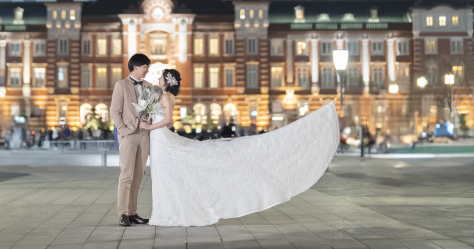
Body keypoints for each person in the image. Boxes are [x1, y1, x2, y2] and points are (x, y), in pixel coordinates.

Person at [139, 69, 339, 227]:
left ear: (167, 81)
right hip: (161, 138)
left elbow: (168, 120)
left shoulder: (164, 96)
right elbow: (168, 122)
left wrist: (148, 125)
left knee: (165, 175)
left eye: (160, 76)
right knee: (165, 175)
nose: (157, 78)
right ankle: (167, 211)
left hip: (160, 139)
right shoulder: (165, 96)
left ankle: (167, 211)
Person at [110, 53, 152, 227]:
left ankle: (133, 212)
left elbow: (153, 110)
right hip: (129, 135)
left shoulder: (150, 87)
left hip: (144, 136)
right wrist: (123, 131)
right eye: (145, 67)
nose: (147, 70)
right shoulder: (121, 85)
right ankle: (123, 214)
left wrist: (149, 120)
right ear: (136, 66)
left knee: (138, 178)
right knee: (126, 176)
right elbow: (114, 112)